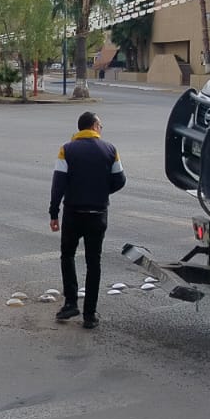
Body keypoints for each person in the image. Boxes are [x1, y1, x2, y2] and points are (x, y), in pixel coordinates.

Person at [49, 111, 126, 328]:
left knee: (67, 255)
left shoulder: (67, 150)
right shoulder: (111, 150)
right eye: (100, 125)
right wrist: (101, 191)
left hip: (73, 213)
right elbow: (120, 180)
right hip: (98, 214)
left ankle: (71, 303)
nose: (102, 128)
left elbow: (59, 183)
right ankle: (90, 314)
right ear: (93, 126)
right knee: (94, 263)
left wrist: (54, 213)